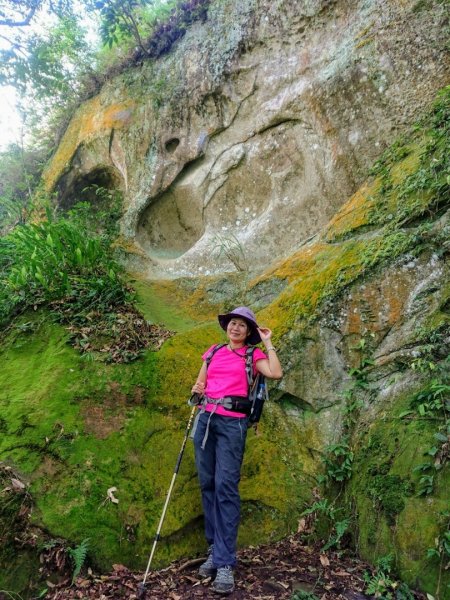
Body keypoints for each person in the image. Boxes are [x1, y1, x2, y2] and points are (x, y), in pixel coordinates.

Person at [191, 306, 283, 595]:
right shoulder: (214, 351)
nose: (236, 328)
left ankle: (226, 563)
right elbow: (200, 383)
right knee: (207, 484)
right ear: (227, 327)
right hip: (206, 420)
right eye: (233, 323)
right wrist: (197, 391)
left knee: (225, 486)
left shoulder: (252, 355)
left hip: (233, 425)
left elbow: (276, 372)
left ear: (249, 332)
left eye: (243, 325)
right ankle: (214, 550)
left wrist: (267, 341)